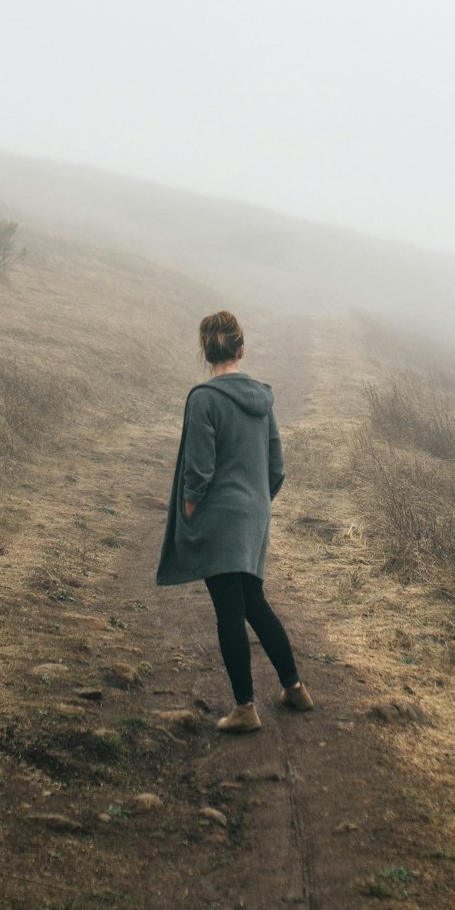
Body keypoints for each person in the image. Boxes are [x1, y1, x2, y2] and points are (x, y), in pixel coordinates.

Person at [156, 310, 314, 732]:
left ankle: (245, 708)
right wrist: (257, 503)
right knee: (254, 603)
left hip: (219, 516)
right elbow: (276, 466)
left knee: (229, 610)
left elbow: (199, 468)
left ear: (206, 353)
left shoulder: (204, 399)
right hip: (253, 515)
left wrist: (190, 508)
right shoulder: (263, 398)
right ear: (241, 349)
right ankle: (295, 687)